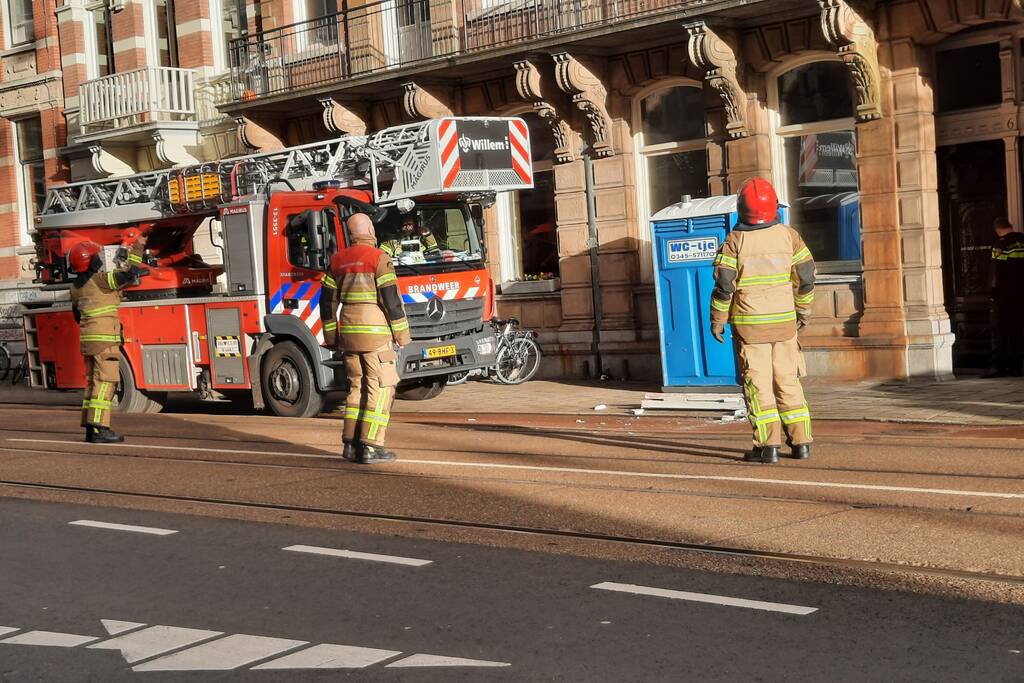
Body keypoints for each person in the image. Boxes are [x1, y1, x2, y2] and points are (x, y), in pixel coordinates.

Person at [709, 177, 816, 464]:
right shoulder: (789, 236)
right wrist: (802, 313)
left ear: (742, 208)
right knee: (788, 382)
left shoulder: (735, 241)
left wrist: (717, 320)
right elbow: (806, 280)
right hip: (785, 326)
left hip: (750, 326)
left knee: (758, 385)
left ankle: (767, 447)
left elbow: (724, 287)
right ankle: (801, 442)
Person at [325, 213, 412, 464]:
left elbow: (327, 304)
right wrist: (402, 335)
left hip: (349, 337)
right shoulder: (379, 258)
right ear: (370, 231)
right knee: (381, 387)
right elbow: (391, 300)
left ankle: (350, 444)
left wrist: (332, 337)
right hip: (375, 337)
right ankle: (372, 446)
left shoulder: (337, 261)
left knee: (356, 387)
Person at [69, 234, 150, 444]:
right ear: (92, 261)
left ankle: (90, 428)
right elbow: (127, 275)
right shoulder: (101, 280)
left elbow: (76, 315)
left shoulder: (76, 288)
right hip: (105, 341)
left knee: (93, 384)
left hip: (88, 342)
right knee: (105, 383)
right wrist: (138, 249)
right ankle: (100, 429)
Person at [988, 217, 1024, 377]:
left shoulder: (1000, 244)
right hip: (1021, 295)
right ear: (1011, 226)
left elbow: (996, 270)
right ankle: (1017, 367)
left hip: (1004, 296)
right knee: (1017, 331)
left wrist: (992, 293)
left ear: (998, 230)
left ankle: (999, 368)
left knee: (999, 330)